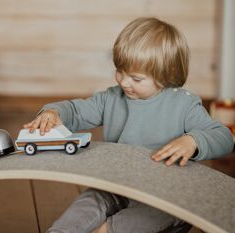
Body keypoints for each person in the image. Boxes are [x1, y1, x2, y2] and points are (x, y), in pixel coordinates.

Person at [23, 17, 234, 233]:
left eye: (136, 78)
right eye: (120, 71)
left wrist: (193, 140)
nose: (124, 82)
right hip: (118, 186)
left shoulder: (184, 105)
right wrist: (54, 112)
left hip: (166, 195)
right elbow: (77, 110)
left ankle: (106, 230)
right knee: (90, 201)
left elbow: (224, 137)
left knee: (161, 212)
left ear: (165, 75)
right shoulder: (112, 98)